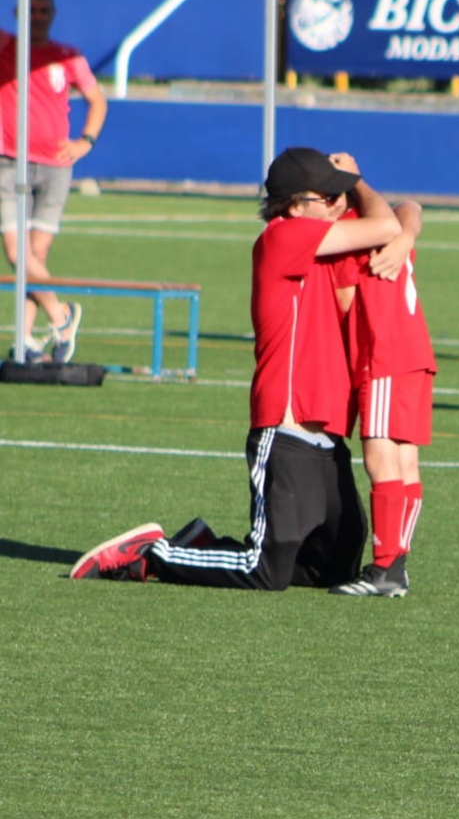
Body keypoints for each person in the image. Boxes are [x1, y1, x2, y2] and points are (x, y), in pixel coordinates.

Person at [70, 146, 404, 593]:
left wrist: (401, 232)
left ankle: (202, 546)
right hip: (284, 429)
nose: (341, 201)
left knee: (337, 567)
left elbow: (406, 213)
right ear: (294, 204)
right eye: (329, 195)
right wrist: (361, 184)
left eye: (342, 194)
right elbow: (387, 224)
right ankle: (151, 554)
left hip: (326, 438)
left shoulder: (327, 233)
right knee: (263, 569)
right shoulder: (284, 236)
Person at [327, 199, 437, 597]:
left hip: (383, 355)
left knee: (379, 456)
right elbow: (411, 205)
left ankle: (386, 567)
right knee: (405, 459)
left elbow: (342, 304)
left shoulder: (350, 235)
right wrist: (408, 234)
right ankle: (397, 564)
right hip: (414, 352)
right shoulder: (386, 223)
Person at [0, 0, 108, 364]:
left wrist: (85, 142)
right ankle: (61, 315)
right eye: (31, 10)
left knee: (37, 254)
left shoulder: (66, 55)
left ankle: (26, 340)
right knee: (17, 252)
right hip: (11, 161)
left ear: (53, 14)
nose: (38, 17)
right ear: (17, 14)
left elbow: (97, 100)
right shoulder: (7, 48)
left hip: (55, 167)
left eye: (44, 10)